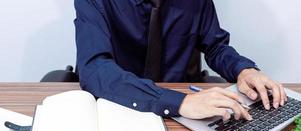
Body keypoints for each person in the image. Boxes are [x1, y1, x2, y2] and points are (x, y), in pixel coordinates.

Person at [74, 0, 286, 121]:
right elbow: (94, 68)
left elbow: (215, 46)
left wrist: (244, 70)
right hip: (120, 106)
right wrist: (181, 102)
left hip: (183, 116)